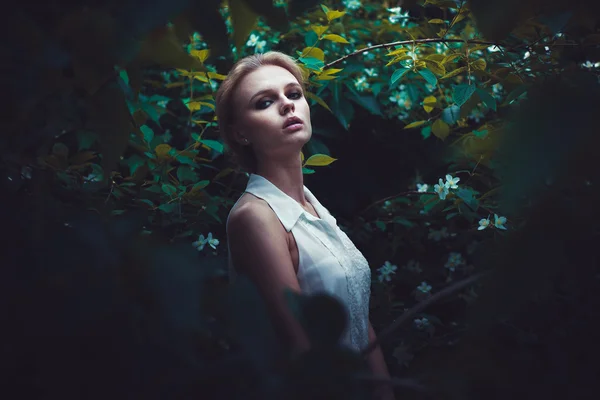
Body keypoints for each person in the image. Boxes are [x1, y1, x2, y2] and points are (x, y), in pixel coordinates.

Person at [215, 51, 394, 400]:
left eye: (294, 94)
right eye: (265, 102)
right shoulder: (255, 217)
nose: (287, 105)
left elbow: (360, 324)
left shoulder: (315, 209)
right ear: (240, 134)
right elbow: (302, 348)